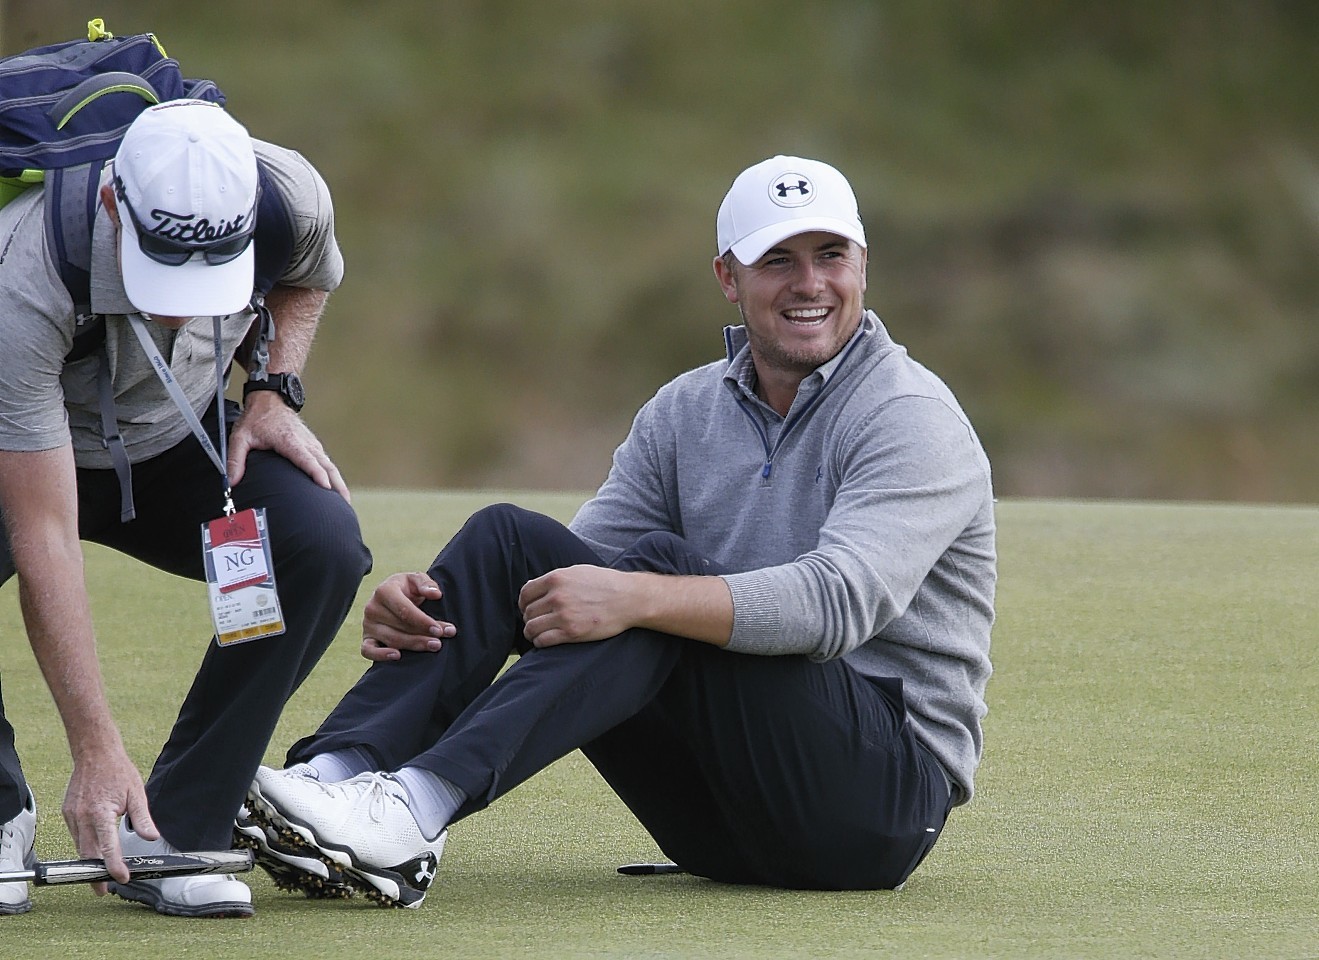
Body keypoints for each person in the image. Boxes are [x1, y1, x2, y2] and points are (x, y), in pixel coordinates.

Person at [243, 155, 995, 908]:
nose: (809, 284)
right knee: (509, 541)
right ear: (728, 278)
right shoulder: (684, 409)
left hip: (872, 811)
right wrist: (447, 603)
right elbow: (563, 598)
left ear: (863, 266)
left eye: (831, 256)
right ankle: (337, 776)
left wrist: (640, 598)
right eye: (777, 260)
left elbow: (837, 604)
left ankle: (412, 810)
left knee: (655, 582)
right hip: (713, 820)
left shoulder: (910, 415)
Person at [0, 100, 372, 918]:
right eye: (164, 264)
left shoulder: (288, 195)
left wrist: (273, 393)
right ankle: (1, 808)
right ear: (112, 205)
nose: (179, 303)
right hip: (30, 443)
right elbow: (46, 536)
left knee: (319, 542)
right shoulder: (25, 270)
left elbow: (308, 276)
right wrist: (95, 750)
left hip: (175, 439)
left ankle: (174, 828)